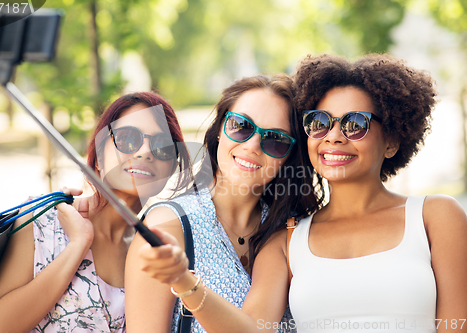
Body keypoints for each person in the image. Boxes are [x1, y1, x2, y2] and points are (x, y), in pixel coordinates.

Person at [136, 54, 467, 332]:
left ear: (392, 141)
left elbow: (457, 324)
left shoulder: (435, 217)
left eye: (355, 124)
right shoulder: (284, 241)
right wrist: (184, 281)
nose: (334, 136)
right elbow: (251, 329)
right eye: (320, 122)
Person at [125, 74, 322, 332]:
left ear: (289, 156)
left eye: (275, 140)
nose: (252, 145)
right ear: (220, 129)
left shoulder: (289, 231)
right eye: (241, 126)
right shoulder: (169, 224)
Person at [0, 92, 193, 333]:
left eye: (161, 145)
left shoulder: (153, 250)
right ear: (99, 156)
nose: (145, 151)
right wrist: (79, 242)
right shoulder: (43, 219)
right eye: (127, 139)